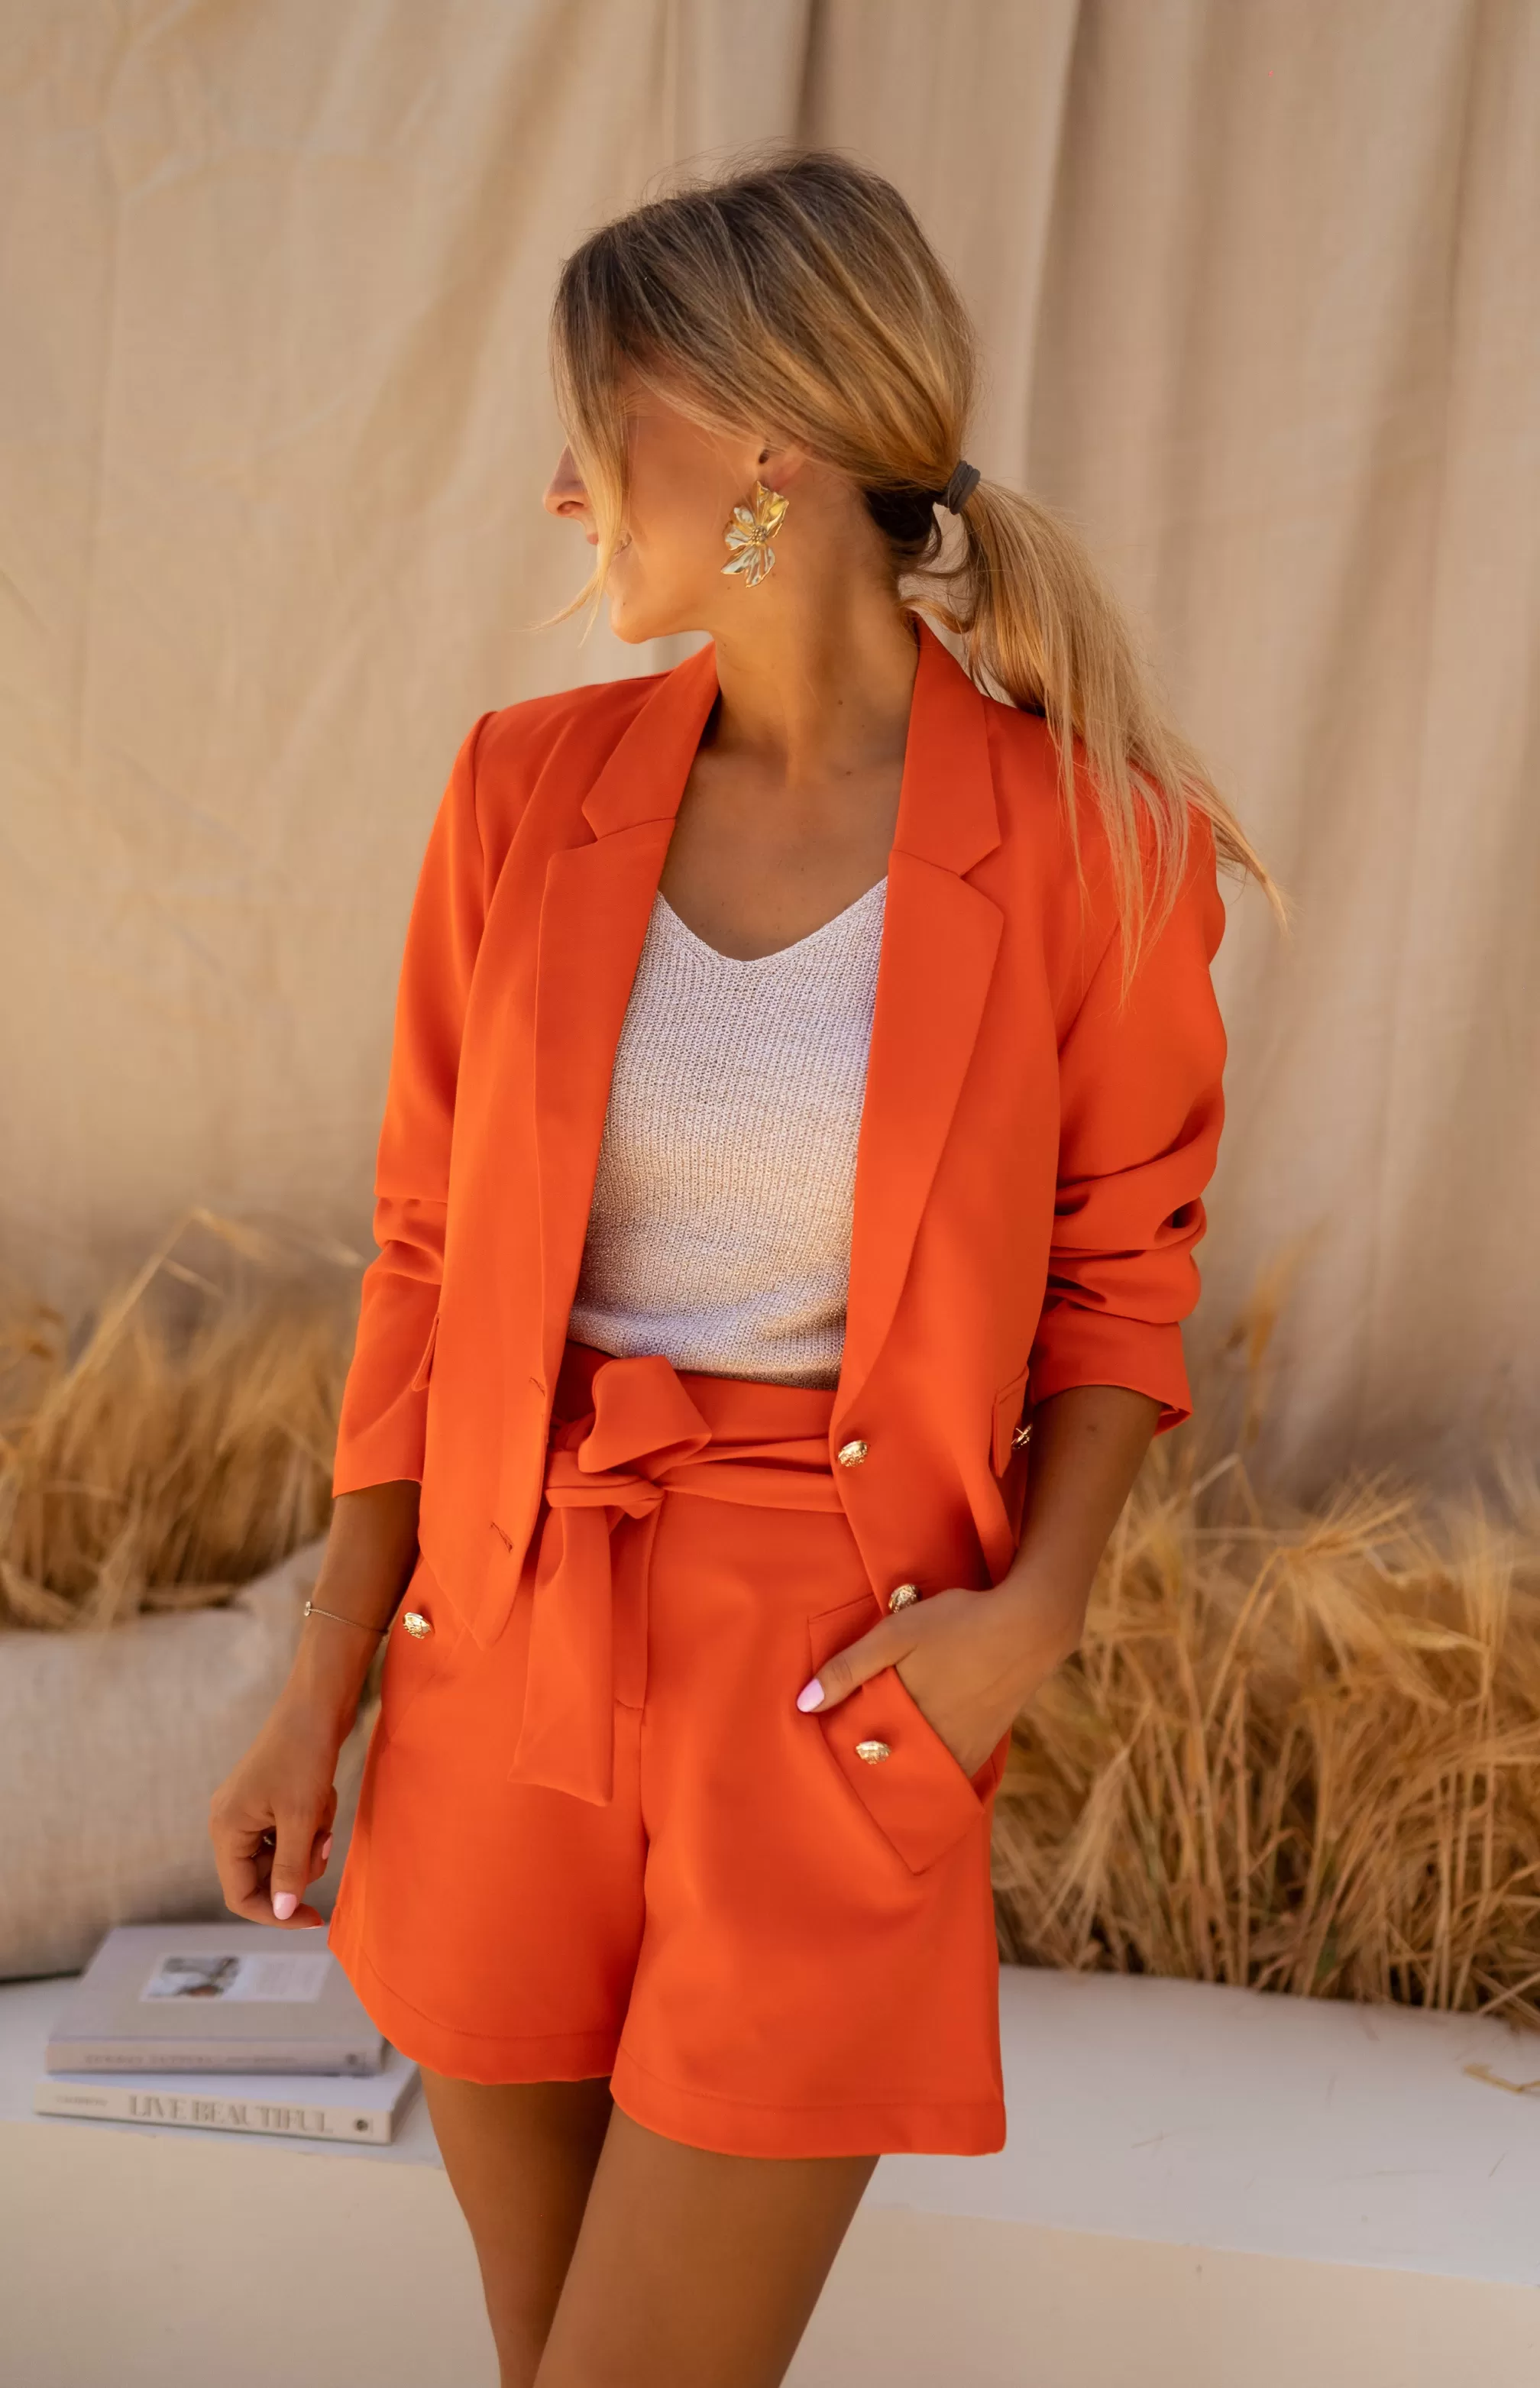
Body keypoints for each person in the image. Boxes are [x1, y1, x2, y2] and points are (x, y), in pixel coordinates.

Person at [211, 150, 1274, 2388]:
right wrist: (324, 1679)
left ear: (762, 443)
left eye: (597, 433)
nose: (561, 494)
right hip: (504, 1647)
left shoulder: (1094, 842)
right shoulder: (520, 792)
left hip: (832, 1683)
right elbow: (424, 1251)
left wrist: (1030, 1615)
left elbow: (1120, 1280)